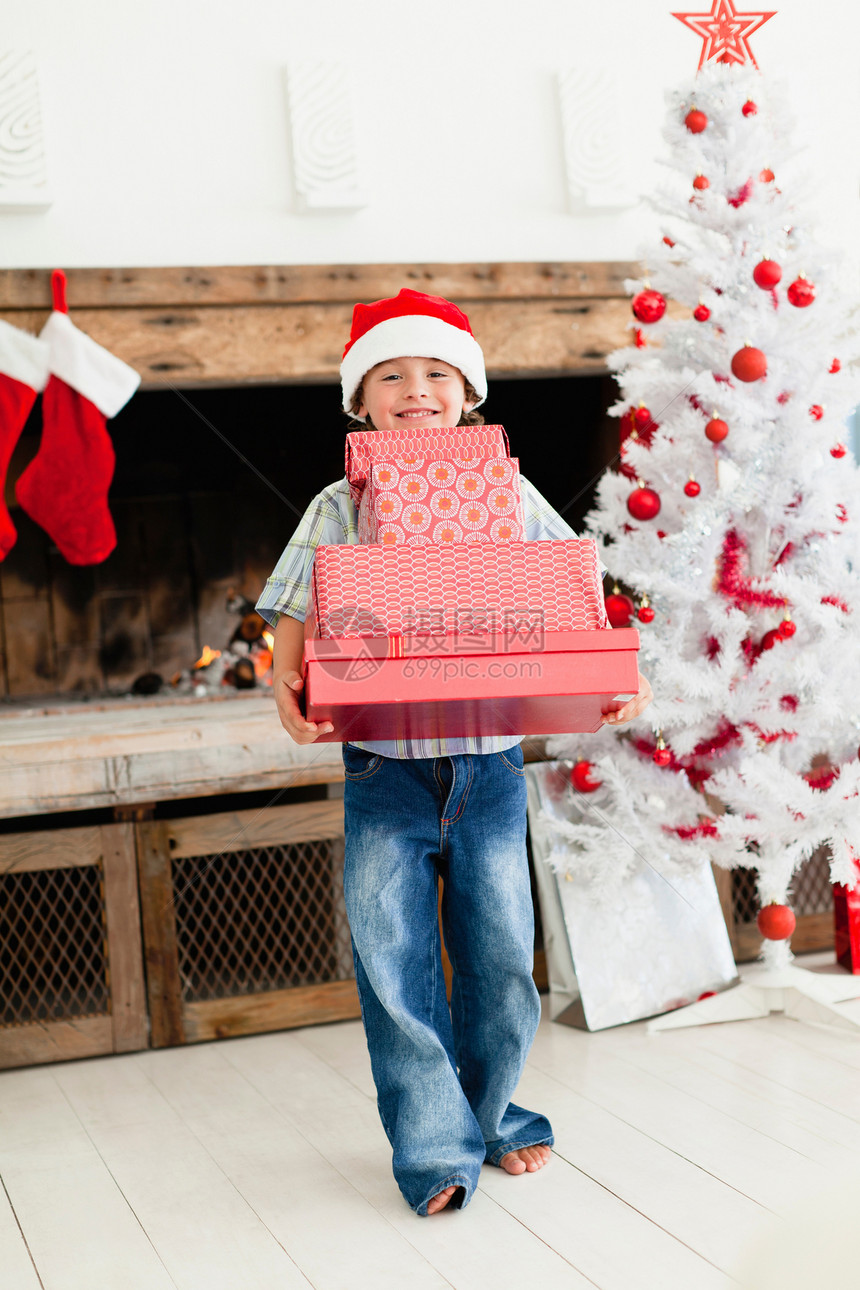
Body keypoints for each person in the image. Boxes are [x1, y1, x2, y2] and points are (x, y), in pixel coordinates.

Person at [256, 288, 653, 1216]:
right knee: (395, 967)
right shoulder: (338, 500)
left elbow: (571, 584)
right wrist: (287, 689)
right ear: (360, 402)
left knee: (503, 959)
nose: (416, 389)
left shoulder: (507, 490)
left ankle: (495, 1114)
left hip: (488, 766)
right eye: (390, 375)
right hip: (384, 771)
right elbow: (293, 609)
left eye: (437, 373)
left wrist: (612, 668)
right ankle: (435, 1148)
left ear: (469, 394)